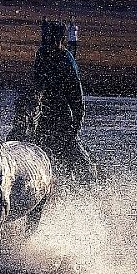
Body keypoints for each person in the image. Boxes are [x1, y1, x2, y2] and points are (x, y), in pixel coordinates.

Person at [24, 19, 97, 184]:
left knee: (73, 155)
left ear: (60, 38)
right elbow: (35, 84)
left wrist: (76, 124)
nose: (51, 41)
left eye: (54, 38)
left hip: (62, 115)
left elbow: (76, 96)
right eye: (49, 37)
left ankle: (87, 183)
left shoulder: (66, 58)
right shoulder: (42, 54)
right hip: (42, 114)